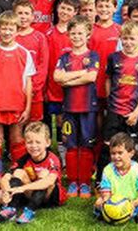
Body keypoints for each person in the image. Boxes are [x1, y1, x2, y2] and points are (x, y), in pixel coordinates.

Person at [97, 21, 138, 188]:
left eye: (132, 39)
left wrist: (136, 112)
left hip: (134, 114)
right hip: (115, 111)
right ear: (120, 38)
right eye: (125, 38)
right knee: (108, 147)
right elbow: (108, 81)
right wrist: (109, 103)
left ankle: (133, 182)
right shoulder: (113, 58)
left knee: (133, 149)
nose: (128, 42)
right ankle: (102, 181)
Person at [53, 15, 98, 199]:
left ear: (88, 34)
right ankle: (73, 181)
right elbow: (57, 78)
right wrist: (81, 74)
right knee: (71, 145)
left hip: (88, 107)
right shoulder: (64, 57)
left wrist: (68, 78)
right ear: (68, 34)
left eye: (80, 33)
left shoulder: (93, 55)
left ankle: (85, 183)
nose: (77, 36)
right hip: (69, 108)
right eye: (73, 33)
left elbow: (91, 77)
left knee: (86, 145)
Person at [0, 11, 35, 163]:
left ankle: (16, 167)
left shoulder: (24, 53)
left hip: (17, 103)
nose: (7, 32)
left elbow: (28, 81)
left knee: (17, 138)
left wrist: (28, 108)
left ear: (17, 31)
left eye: (10, 29)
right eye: (3, 29)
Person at [0, 122, 66, 224]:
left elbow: (49, 182)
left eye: (38, 142)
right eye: (29, 142)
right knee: (18, 172)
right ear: (25, 143)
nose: (33, 146)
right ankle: (11, 208)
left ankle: (29, 211)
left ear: (47, 143)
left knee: (45, 174)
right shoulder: (24, 158)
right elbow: (5, 178)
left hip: (49, 198)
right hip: (31, 195)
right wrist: (7, 191)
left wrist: (22, 188)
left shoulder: (53, 159)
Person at [94, 132, 138, 223]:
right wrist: (109, 205)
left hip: (133, 202)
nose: (116, 157)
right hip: (114, 203)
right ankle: (135, 216)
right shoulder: (107, 170)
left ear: (131, 153)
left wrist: (131, 205)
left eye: (120, 153)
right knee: (98, 203)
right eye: (113, 153)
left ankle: (110, 216)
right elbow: (106, 194)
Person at [46, 0, 78, 154]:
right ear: (57, 8)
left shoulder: (76, 35)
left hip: (71, 86)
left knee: (67, 120)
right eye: (62, 8)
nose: (65, 12)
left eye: (69, 9)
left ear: (75, 12)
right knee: (56, 119)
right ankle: (57, 151)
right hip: (52, 87)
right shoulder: (49, 33)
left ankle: (68, 152)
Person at [13, 0, 49, 123]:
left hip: (34, 92)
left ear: (33, 16)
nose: (23, 17)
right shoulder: (10, 37)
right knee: (17, 126)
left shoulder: (39, 37)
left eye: (26, 13)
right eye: (20, 13)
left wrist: (34, 87)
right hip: (15, 91)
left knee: (34, 125)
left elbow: (43, 65)